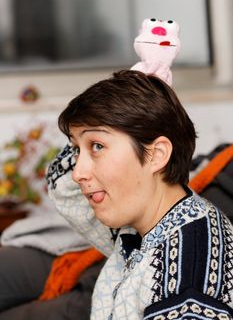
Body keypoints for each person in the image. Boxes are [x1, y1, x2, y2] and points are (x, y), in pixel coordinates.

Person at [46, 68, 233, 319]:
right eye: (76, 149)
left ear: (156, 155)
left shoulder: (188, 271)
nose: (77, 172)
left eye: (98, 146)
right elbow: (61, 184)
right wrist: (137, 93)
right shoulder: (142, 226)